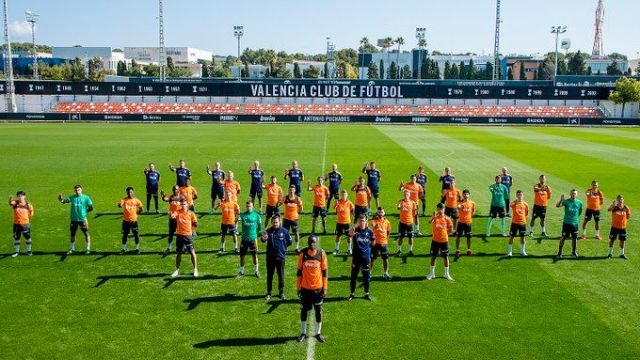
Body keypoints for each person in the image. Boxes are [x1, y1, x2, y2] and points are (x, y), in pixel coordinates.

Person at [296, 235, 327, 343]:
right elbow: (299, 272)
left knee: (318, 311)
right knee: (304, 310)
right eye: (311, 242)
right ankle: (303, 332)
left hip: (318, 289)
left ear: (316, 243)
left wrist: (325, 288)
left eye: (314, 242)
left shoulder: (321, 254)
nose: (312, 244)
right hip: (305, 288)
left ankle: (318, 333)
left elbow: (325, 272)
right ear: (308, 243)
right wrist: (298, 287)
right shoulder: (302, 254)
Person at [262, 216, 292, 300]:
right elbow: (263, 239)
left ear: (280, 222)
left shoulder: (284, 231)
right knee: (269, 275)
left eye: (276, 222)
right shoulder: (268, 231)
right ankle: (269, 293)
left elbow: (289, 242)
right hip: (270, 258)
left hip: (280, 257)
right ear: (271, 223)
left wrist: (283, 248)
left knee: (281, 275)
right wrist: (263, 238)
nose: (275, 224)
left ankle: (281, 292)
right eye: (273, 222)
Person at [58, 185, 93, 255]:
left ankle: (88, 249)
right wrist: (61, 199)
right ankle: (71, 249)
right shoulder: (72, 197)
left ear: (81, 190)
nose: (77, 191)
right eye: (76, 190)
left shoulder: (86, 198)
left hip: (82, 219)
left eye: (78, 190)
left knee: (86, 233)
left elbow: (91, 208)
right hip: (74, 219)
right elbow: (64, 201)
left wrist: (85, 212)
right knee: (72, 234)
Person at [170, 199, 198, 277]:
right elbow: (172, 216)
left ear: (187, 205)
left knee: (192, 252)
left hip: (188, 236)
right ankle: (177, 269)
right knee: (179, 253)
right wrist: (171, 215)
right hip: (179, 235)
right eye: (182, 204)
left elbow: (195, 223)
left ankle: (195, 269)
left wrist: (193, 229)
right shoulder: (177, 212)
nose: (183, 206)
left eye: (184, 204)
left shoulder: (191, 213)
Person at [348, 215, 374, 301]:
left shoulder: (369, 231)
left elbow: (373, 241)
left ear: (366, 221)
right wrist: (351, 232)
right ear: (358, 221)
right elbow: (349, 235)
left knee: (366, 277)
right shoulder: (355, 230)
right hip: (356, 257)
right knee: (353, 277)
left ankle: (366, 294)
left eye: (363, 220)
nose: (361, 222)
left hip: (365, 258)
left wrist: (368, 249)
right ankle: (352, 294)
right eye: (360, 221)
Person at [427, 203, 454, 281]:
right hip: (435, 240)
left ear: (444, 209)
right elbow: (429, 222)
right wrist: (433, 217)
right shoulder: (435, 218)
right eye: (439, 209)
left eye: (442, 209)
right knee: (433, 257)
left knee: (445, 257)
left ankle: (446, 274)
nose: (440, 210)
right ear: (437, 209)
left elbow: (451, 229)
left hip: (444, 241)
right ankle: (432, 273)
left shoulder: (447, 218)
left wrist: (445, 234)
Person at [237, 201, 262, 278]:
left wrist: (255, 233)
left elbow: (259, 227)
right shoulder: (243, 215)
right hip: (244, 239)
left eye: (250, 206)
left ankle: (256, 271)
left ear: (253, 207)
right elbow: (236, 219)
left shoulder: (257, 216)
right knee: (242, 256)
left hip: (252, 240)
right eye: (247, 206)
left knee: (254, 256)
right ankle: (241, 272)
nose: (248, 208)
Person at [556, 189, 584, 259]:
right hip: (566, 223)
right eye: (572, 193)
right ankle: (559, 252)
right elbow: (557, 206)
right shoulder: (566, 201)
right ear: (570, 194)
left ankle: (573, 252)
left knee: (574, 238)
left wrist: (575, 218)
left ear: (576, 194)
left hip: (575, 224)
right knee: (563, 237)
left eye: (575, 193)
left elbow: (580, 212)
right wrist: (561, 200)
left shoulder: (580, 203)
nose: (573, 195)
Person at [117, 187, 143, 254]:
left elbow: (141, 208)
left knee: (136, 235)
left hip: (134, 221)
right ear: (126, 192)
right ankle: (124, 248)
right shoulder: (124, 200)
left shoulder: (136, 200)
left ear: (133, 192)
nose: (129, 193)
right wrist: (119, 205)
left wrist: (137, 213)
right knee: (125, 235)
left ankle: (137, 248)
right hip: (125, 221)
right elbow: (121, 204)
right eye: (128, 192)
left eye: (131, 192)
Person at [9, 191, 34, 257]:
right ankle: (16, 252)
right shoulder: (15, 203)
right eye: (19, 196)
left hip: (25, 224)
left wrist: (28, 219)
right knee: (17, 238)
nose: (20, 197)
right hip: (16, 224)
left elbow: (31, 212)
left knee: (27, 238)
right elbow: (10, 203)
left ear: (24, 197)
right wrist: (10, 199)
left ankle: (29, 251)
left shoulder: (28, 204)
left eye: (21, 196)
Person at [371, 207, 392, 280]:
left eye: (382, 212)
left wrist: (386, 239)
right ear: (377, 213)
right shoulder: (374, 220)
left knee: (385, 259)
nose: (380, 213)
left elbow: (388, 231)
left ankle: (386, 273)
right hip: (375, 243)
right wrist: (375, 226)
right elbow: (373, 226)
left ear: (384, 213)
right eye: (379, 212)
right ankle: (369, 273)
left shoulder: (387, 222)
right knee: (372, 258)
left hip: (384, 243)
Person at [281, 185, 303, 253]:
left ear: (295, 190)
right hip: (286, 219)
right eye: (290, 190)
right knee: (284, 233)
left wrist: (298, 212)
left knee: (296, 233)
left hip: (294, 219)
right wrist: (278, 203)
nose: (291, 191)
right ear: (288, 190)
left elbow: (301, 207)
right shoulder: (285, 198)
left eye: (292, 190)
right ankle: (284, 246)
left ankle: (296, 248)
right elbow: (279, 203)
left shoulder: (297, 198)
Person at [507, 190, 529, 257]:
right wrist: (516, 202)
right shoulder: (514, 203)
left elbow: (526, 213)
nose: (520, 196)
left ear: (523, 196)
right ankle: (510, 252)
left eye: (521, 195)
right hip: (514, 223)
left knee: (522, 237)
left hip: (522, 223)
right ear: (516, 196)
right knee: (511, 237)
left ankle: (522, 251)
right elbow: (510, 205)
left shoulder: (525, 204)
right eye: (518, 195)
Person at [454, 189, 476, 258]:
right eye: (465, 194)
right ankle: (457, 250)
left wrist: (469, 218)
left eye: (467, 194)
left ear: (469, 195)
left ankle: (468, 250)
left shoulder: (472, 203)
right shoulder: (459, 202)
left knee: (468, 237)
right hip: (460, 222)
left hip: (468, 223)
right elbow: (458, 207)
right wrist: (460, 207)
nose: (466, 195)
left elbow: (473, 212)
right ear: (463, 195)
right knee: (458, 237)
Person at [607, 195, 630, 259]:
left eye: (621, 199)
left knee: (622, 240)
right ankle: (609, 253)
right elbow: (608, 210)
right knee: (612, 240)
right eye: (619, 199)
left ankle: (621, 254)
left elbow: (628, 216)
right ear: (617, 200)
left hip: (622, 227)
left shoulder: (626, 208)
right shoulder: (614, 207)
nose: (620, 200)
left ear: (623, 200)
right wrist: (613, 206)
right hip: (614, 227)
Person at [160, 186, 182, 254]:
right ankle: (169, 248)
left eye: (176, 189)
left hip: (179, 219)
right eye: (173, 189)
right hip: (172, 219)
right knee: (171, 234)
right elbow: (165, 199)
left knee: (180, 234)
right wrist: (163, 196)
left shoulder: (181, 197)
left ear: (178, 190)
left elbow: (186, 206)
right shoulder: (171, 197)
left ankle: (182, 248)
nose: (174, 191)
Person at [396, 190, 418, 257]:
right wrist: (400, 207)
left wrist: (412, 217)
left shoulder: (412, 202)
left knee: (410, 237)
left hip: (409, 223)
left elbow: (414, 211)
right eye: (405, 194)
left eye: (407, 194)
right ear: (403, 195)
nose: (406, 195)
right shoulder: (401, 201)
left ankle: (410, 250)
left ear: (409, 195)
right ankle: (399, 250)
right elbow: (398, 207)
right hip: (402, 222)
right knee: (401, 237)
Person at [333, 190, 354, 255]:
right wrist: (336, 204)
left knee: (349, 236)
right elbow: (334, 208)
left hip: (347, 222)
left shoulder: (349, 203)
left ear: (347, 195)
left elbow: (353, 210)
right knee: (338, 236)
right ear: (340, 196)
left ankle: (349, 249)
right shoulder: (338, 202)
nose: (343, 196)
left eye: (344, 195)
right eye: (342, 195)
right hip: (339, 222)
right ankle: (337, 249)